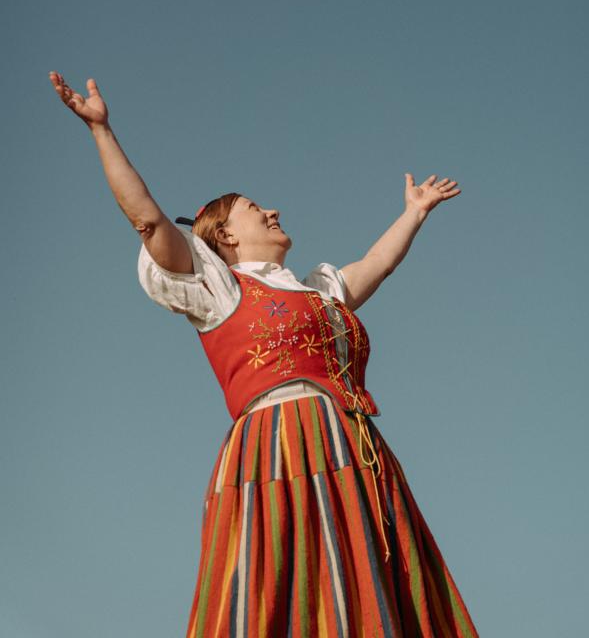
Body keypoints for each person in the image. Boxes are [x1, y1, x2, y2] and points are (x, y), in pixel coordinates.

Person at [49, 71, 480, 638]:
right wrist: (102, 131)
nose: (271, 211)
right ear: (225, 236)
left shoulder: (316, 291)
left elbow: (377, 264)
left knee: (364, 587)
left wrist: (414, 213)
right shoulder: (220, 288)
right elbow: (148, 219)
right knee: (270, 582)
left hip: (350, 445)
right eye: (255, 209)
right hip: (276, 445)